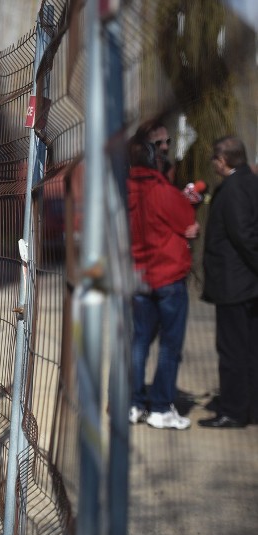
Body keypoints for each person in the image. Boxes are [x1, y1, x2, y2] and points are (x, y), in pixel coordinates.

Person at [127, 126, 199, 430]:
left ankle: (133, 402)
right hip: (168, 276)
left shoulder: (122, 192)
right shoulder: (163, 191)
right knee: (170, 345)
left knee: (139, 340)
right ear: (154, 159)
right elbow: (188, 225)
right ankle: (160, 407)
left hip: (138, 277)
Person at [198, 136, 258, 428]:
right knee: (249, 348)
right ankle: (249, 406)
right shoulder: (250, 181)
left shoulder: (234, 189)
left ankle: (233, 410)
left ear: (223, 161)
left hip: (235, 284)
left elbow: (243, 235)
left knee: (233, 349)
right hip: (246, 283)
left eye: (215, 159)